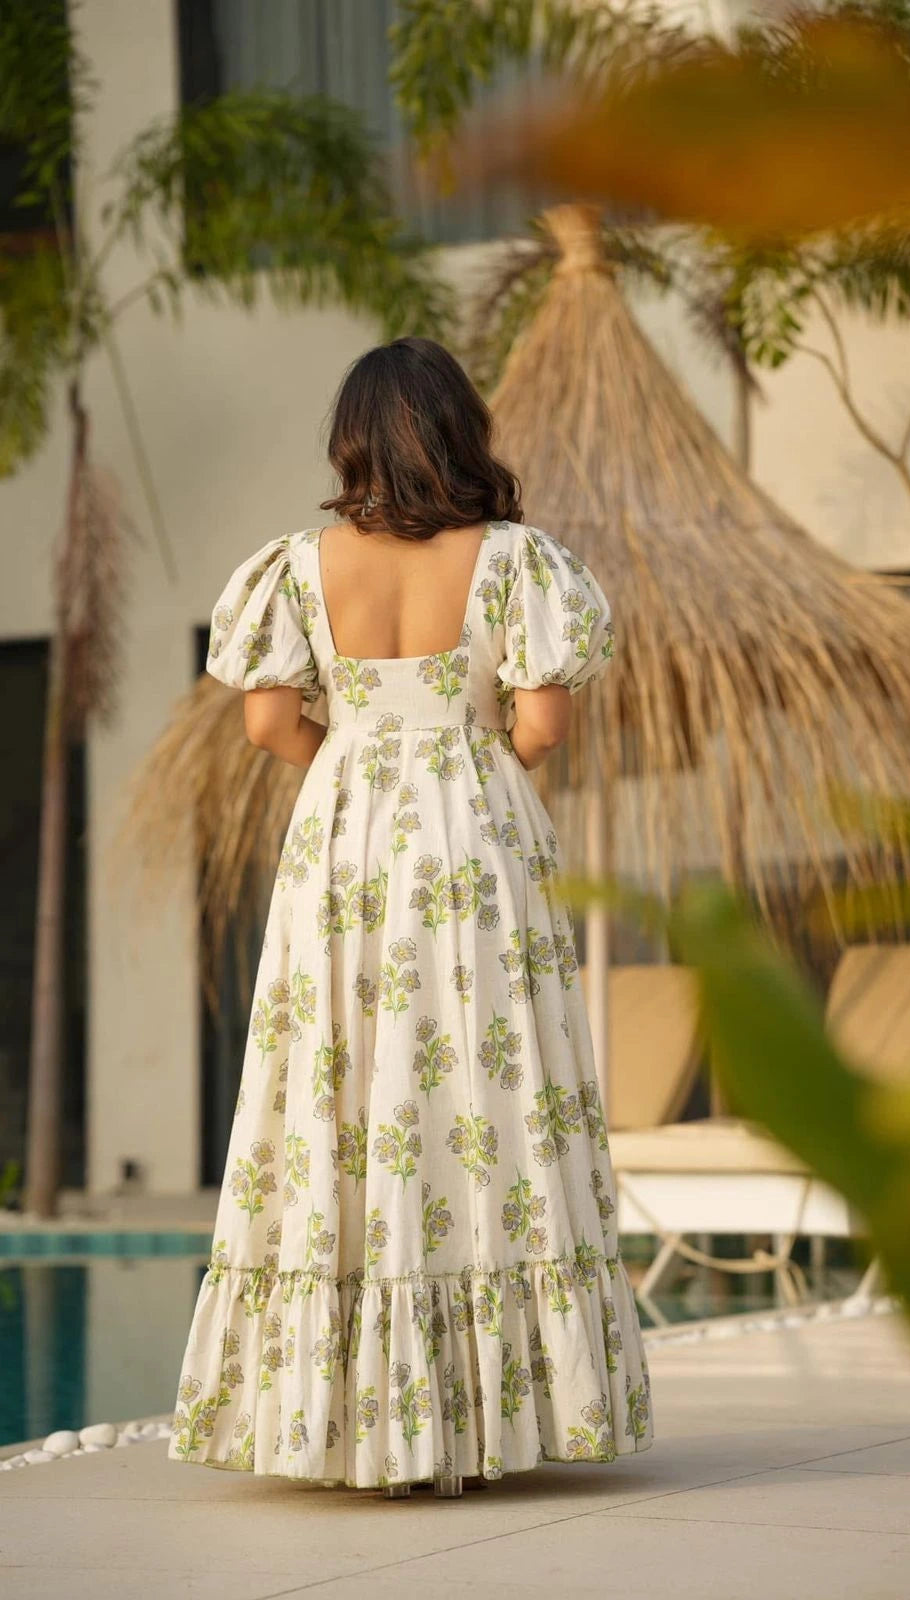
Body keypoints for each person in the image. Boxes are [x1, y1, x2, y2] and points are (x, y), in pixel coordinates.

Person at [167, 336, 652, 1496]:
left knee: (341, 1087)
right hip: (476, 832)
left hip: (342, 839)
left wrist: (359, 764)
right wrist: (463, 763)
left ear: (352, 440)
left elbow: (267, 725)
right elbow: (543, 726)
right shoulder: (517, 561)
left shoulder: (295, 566)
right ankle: (493, 1411)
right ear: (460, 431)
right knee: (485, 1091)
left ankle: (346, 1416)